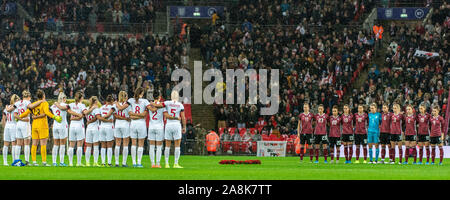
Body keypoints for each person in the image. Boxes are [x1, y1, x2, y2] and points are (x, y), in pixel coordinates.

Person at [20, 90, 62, 166]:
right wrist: (54, 117)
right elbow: (46, 112)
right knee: (43, 144)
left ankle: (34, 161)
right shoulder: (44, 103)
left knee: (34, 144)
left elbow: (26, 112)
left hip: (34, 125)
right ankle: (44, 162)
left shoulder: (34, 104)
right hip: (42, 125)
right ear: (43, 96)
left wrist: (19, 117)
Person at [116, 87, 149, 167]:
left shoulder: (130, 100)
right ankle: (139, 162)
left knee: (133, 143)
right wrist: (141, 116)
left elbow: (128, 113)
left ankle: (134, 163)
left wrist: (116, 103)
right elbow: (145, 114)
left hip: (133, 124)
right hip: (141, 124)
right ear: (142, 93)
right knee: (140, 144)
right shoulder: (145, 101)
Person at [152, 90, 186, 168]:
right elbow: (183, 117)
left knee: (167, 145)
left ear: (171, 96)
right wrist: (184, 127)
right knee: (177, 145)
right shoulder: (180, 105)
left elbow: (158, 105)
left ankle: (167, 164)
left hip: (169, 125)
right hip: (177, 124)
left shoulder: (167, 103)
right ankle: (176, 163)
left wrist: (150, 103)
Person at [67, 91, 87, 167]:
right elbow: (83, 115)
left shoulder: (71, 105)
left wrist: (73, 118)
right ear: (81, 98)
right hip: (79, 126)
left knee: (71, 145)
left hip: (72, 126)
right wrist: (78, 115)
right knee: (79, 145)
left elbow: (68, 111)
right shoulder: (82, 105)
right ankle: (78, 163)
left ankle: (70, 163)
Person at [12, 91, 32, 165]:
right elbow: (30, 110)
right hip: (25, 123)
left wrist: (20, 119)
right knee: (27, 143)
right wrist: (24, 119)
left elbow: (15, 114)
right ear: (28, 97)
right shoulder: (28, 102)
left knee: (18, 143)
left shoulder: (18, 103)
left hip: (18, 124)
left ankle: (17, 160)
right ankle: (27, 161)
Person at [146, 90, 165, 168]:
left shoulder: (150, 105)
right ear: (160, 97)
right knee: (159, 146)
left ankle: (152, 164)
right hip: (159, 127)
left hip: (151, 126)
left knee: (152, 146)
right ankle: (158, 163)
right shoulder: (161, 105)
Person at [50, 92, 69, 166]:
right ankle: (61, 162)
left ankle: (54, 162)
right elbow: (64, 109)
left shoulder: (53, 105)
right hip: (62, 126)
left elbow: (49, 111)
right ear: (64, 98)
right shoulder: (65, 105)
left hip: (55, 125)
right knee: (62, 144)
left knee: (55, 144)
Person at [113, 91, 131, 167]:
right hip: (125, 124)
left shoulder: (115, 104)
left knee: (117, 144)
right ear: (126, 96)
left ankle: (117, 162)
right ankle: (124, 162)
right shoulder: (128, 105)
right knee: (125, 144)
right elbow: (130, 115)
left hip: (117, 124)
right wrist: (126, 118)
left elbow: (115, 116)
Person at [98, 95, 116, 167]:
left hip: (101, 126)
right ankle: (109, 162)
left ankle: (103, 162)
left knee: (103, 145)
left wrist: (102, 118)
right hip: (109, 126)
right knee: (109, 145)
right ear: (111, 101)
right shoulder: (112, 107)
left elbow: (99, 117)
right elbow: (108, 115)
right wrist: (107, 120)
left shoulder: (101, 107)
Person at [2, 95, 19, 165]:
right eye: (18, 100)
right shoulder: (16, 107)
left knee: (5, 144)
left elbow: (3, 119)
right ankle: (14, 161)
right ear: (15, 100)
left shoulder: (7, 107)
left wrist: (4, 126)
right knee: (13, 143)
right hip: (13, 125)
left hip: (7, 125)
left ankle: (5, 162)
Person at [84, 96, 100, 166]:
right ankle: (95, 162)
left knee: (88, 146)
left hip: (88, 128)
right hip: (95, 127)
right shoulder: (96, 109)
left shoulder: (87, 108)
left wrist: (88, 122)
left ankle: (87, 162)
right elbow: (96, 118)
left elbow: (85, 114)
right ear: (96, 101)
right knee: (96, 145)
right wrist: (90, 121)